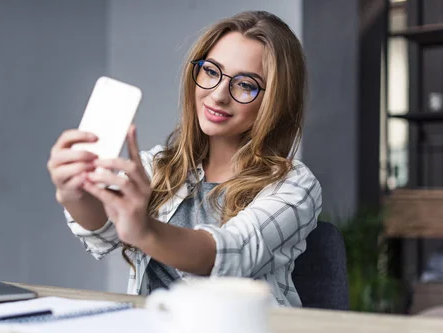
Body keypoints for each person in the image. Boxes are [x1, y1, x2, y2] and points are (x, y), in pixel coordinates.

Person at [47, 10, 322, 307]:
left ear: (275, 102)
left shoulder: (294, 186)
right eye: (211, 71)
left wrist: (146, 230)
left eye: (245, 84)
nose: (218, 95)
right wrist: (73, 193)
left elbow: (231, 255)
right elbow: (103, 233)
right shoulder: (159, 167)